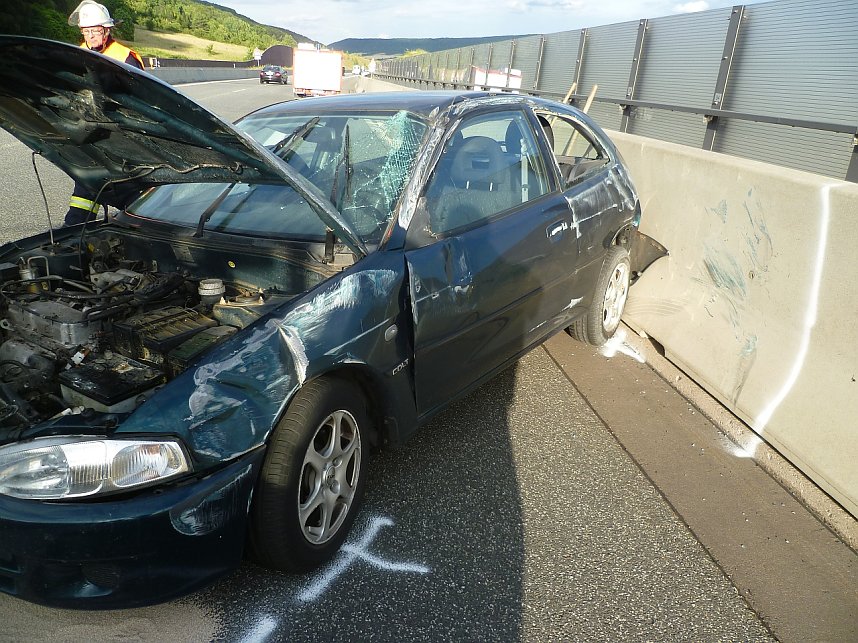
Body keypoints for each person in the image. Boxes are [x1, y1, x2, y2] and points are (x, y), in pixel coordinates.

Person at [65, 1, 145, 226]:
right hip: (91, 134)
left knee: (130, 190)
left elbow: (139, 100)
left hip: (122, 138)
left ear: (107, 30)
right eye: (86, 31)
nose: (90, 36)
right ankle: (74, 231)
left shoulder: (125, 57)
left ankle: (139, 227)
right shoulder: (75, 53)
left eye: (95, 31)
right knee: (85, 188)